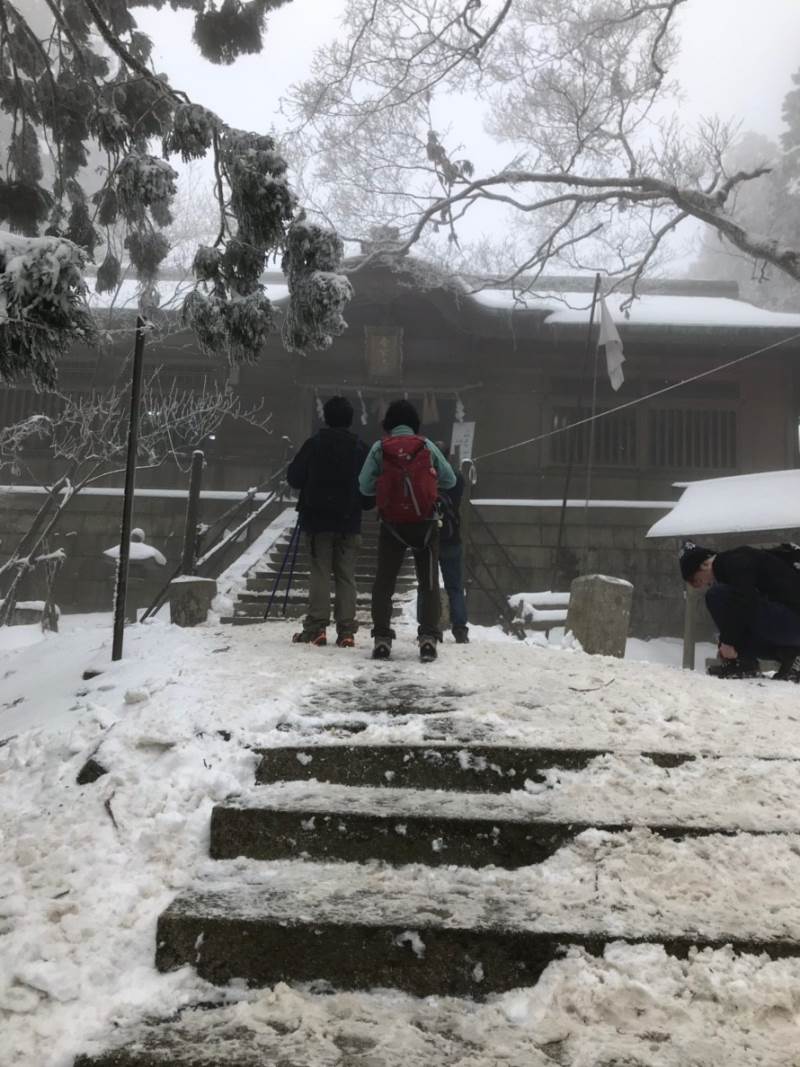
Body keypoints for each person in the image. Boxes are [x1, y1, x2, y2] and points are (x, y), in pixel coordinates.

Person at [359, 399, 455, 662]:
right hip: (425, 523)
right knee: (428, 583)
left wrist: (387, 485)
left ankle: (382, 638)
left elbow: (363, 486)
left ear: (388, 423)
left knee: (384, 581)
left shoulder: (380, 448)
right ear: (414, 423)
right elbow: (450, 479)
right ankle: (428, 637)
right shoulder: (426, 446)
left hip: (392, 524)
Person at [286, 395, 369, 648]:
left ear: (326, 417)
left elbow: (294, 477)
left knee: (320, 573)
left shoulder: (315, 444)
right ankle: (346, 631)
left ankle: (316, 627)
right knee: (346, 576)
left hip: (317, 519)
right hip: (349, 521)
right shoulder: (360, 448)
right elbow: (370, 485)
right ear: (351, 420)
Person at [679, 540, 800, 681]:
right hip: (790, 624)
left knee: (716, 595)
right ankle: (789, 654)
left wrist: (728, 642)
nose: (699, 586)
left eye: (694, 580)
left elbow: (745, 601)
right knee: (734, 622)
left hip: (793, 622)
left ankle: (744, 662)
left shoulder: (735, 562)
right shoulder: (737, 561)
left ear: (704, 565)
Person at [430, 442, 469, 643]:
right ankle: (460, 628)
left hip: (430, 536)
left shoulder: (427, 476)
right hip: (452, 537)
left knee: (428, 585)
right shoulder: (457, 477)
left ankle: (429, 625)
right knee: (455, 586)